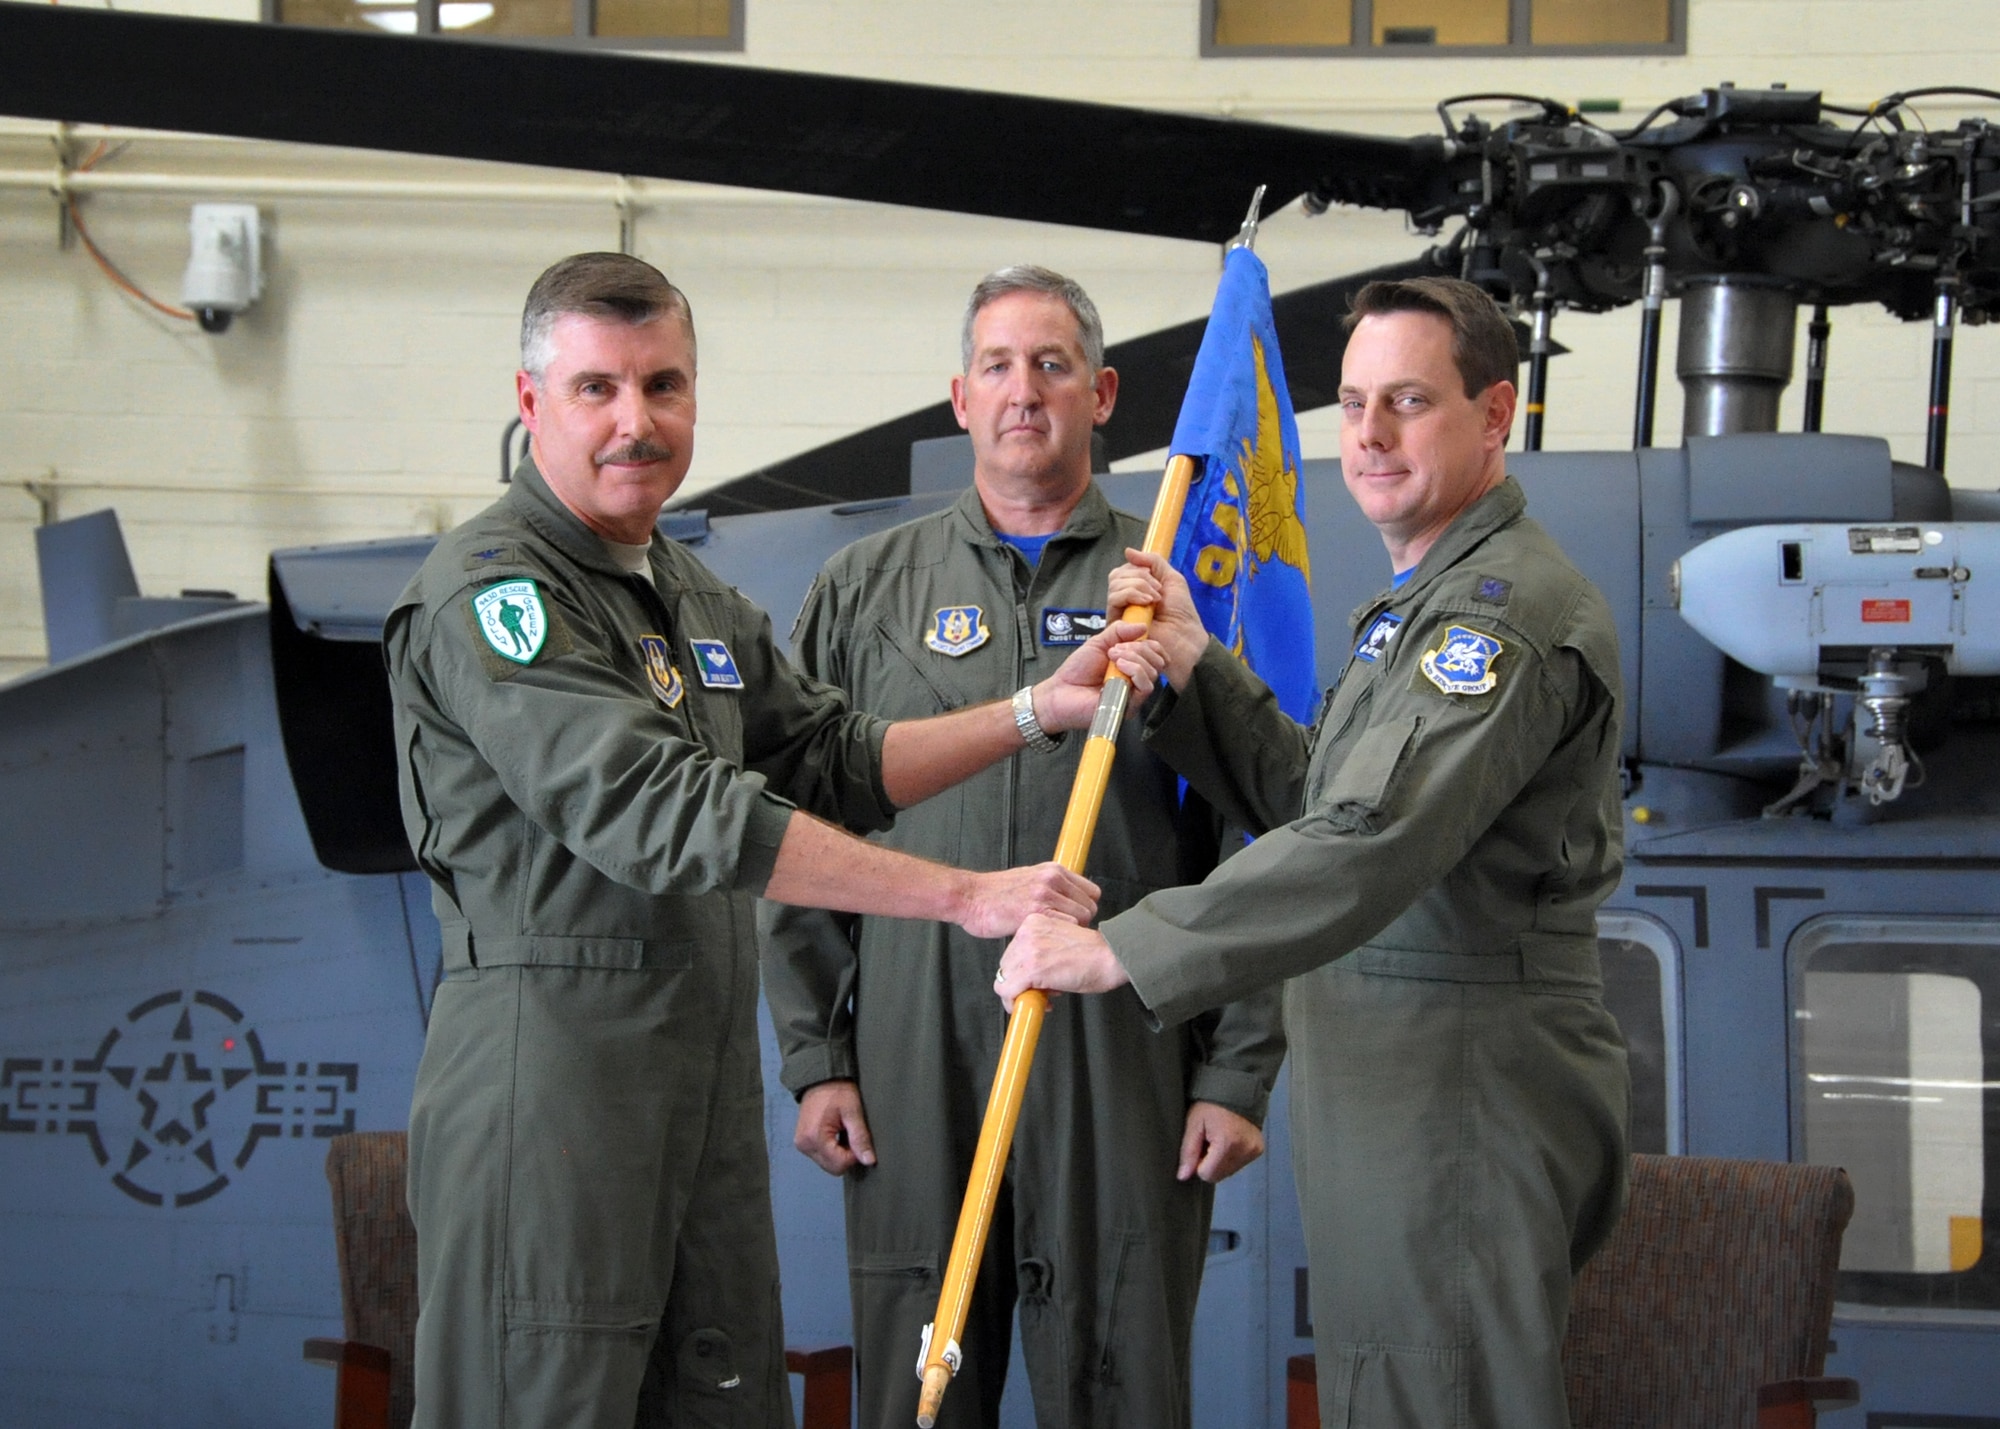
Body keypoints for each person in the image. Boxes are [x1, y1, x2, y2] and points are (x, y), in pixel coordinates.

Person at [384, 252, 1164, 1429]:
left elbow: (832, 756)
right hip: (550, 1087)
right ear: (529, 398)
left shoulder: (689, 599)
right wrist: (962, 897)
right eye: (596, 387)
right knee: (541, 1393)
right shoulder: (499, 596)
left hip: (692, 1092)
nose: (634, 423)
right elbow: (664, 807)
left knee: (721, 1396)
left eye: (663, 385)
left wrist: (1030, 710)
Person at [997, 276, 1631, 1427]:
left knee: (1433, 1395)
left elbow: (1369, 840)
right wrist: (1197, 668)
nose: (1368, 439)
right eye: (1349, 405)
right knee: (1392, 1385)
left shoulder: (1497, 616)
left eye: (1406, 402)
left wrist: (1121, 951)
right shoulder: (1421, 604)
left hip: (1459, 1085)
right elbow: (1321, 798)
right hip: (1397, 1081)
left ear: (1494, 414)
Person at [760, 265, 1284, 1429]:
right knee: (918, 1383)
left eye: (1050, 365)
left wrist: (1236, 1068)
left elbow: (1261, 836)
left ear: (1101, 394)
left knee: (1122, 1374)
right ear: (956, 397)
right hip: (912, 1046)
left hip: (1123, 1042)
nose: (1022, 391)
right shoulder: (864, 590)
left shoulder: (1174, 588)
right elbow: (800, 821)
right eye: (996, 365)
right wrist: (816, 1054)